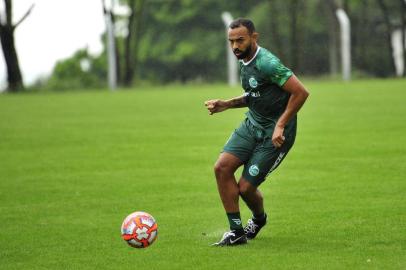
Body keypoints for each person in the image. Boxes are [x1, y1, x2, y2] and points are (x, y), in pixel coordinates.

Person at [205, 18, 309, 246]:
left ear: (254, 37)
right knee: (221, 167)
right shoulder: (244, 61)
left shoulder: (268, 63)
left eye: (240, 40)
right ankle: (236, 232)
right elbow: (255, 94)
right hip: (252, 125)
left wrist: (281, 124)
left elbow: (301, 92)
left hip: (276, 135)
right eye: (231, 41)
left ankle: (259, 219)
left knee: (246, 188)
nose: (235, 47)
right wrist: (226, 104)